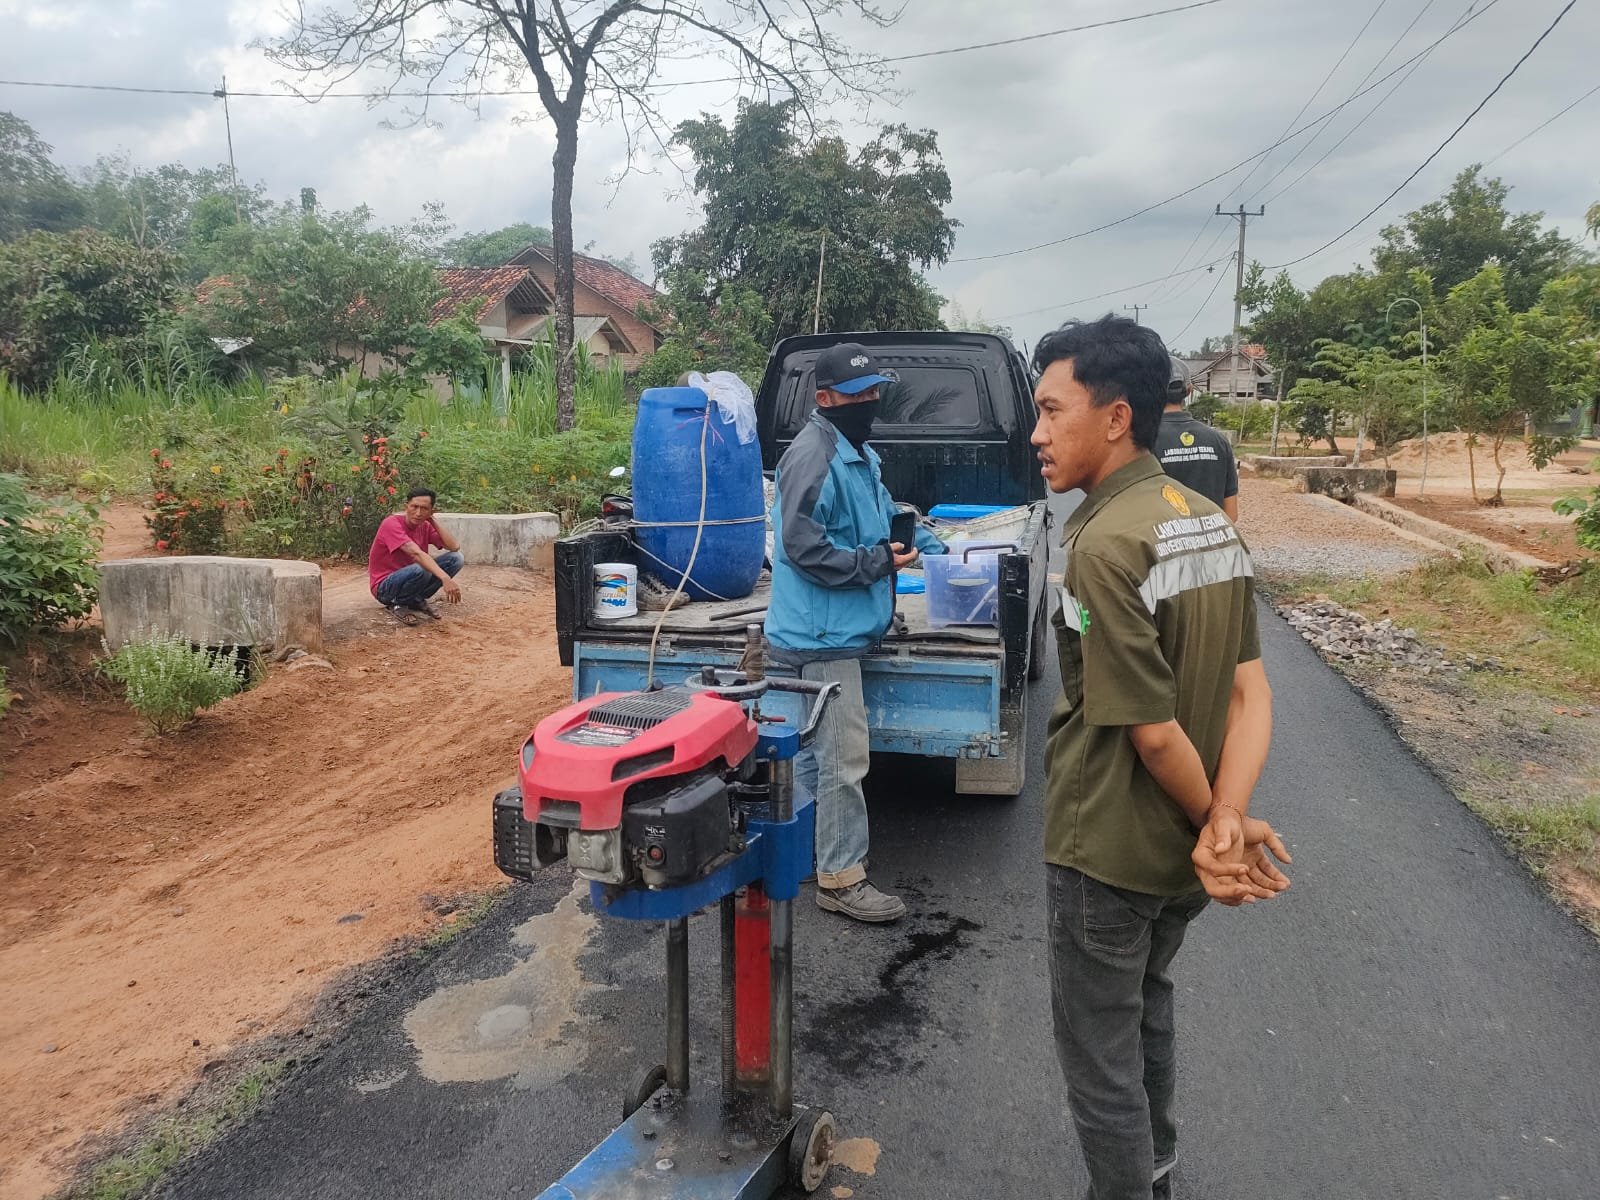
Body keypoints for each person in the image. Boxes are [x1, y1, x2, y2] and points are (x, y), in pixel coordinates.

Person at [1029, 315, 1290, 1200]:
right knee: (1147, 1014)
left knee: (1099, 1057)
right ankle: (1160, 1177)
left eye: (1051, 410)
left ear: (1114, 416)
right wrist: (1224, 818)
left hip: (1106, 848)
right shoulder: (1209, 523)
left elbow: (1148, 729)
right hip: (1179, 866)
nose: (1036, 433)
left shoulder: (1103, 544)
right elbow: (1252, 693)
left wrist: (1214, 822)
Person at [766, 342, 947, 924]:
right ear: (824, 400)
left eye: (874, 392)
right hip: (822, 639)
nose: (869, 403)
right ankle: (841, 879)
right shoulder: (813, 456)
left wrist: (933, 545)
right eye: (856, 395)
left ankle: (807, 857)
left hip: (830, 631)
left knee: (814, 761)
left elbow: (883, 512)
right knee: (843, 761)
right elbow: (802, 546)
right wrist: (874, 563)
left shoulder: (853, 449)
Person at [1152, 356, 1239, 520]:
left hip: (1164, 543)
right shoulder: (1219, 441)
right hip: (1214, 542)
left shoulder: (1142, 442)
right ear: (1189, 390)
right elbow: (1231, 515)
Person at [368, 487, 464, 625]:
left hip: (413, 576)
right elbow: (416, 553)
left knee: (456, 558)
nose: (418, 513)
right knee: (422, 567)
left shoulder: (424, 525)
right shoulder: (391, 524)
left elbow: (454, 546)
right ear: (406, 507)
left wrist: (432, 521)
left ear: (431, 511)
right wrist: (445, 578)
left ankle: (416, 599)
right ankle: (399, 604)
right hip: (385, 587)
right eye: (414, 507)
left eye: (424, 509)